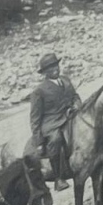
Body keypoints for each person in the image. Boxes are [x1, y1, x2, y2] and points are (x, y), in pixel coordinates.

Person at [28, 51, 79, 190]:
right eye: (50, 68)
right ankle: (58, 178)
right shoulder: (39, 91)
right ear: (45, 72)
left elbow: (75, 96)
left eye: (56, 65)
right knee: (56, 139)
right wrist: (38, 141)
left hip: (71, 115)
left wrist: (77, 104)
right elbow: (34, 118)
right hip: (51, 123)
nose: (55, 69)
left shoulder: (66, 80)